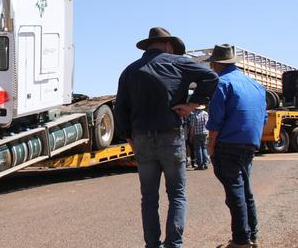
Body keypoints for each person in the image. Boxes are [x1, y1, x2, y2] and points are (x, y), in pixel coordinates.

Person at [114, 27, 219, 248]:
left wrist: (130, 138)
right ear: (168, 45)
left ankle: (152, 245)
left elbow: (120, 109)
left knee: (149, 199)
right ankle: (173, 245)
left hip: (142, 137)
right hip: (170, 135)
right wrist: (192, 105)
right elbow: (210, 77)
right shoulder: (177, 62)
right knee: (177, 195)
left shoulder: (129, 71)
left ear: (149, 45)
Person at [205, 44, 267, 248]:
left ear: (215, 64)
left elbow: (216, 120)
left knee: (235, 193)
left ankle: (241, 240)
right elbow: (262, 117)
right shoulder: (256, 85)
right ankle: (252, 235)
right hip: (249, 144)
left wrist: (210, 145)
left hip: (228, 144)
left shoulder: (221, 83)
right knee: (245, 190)